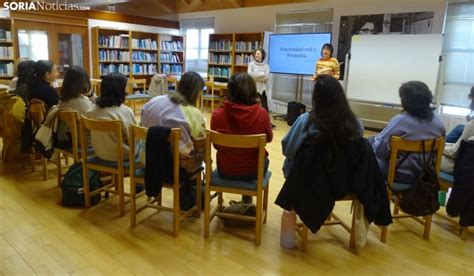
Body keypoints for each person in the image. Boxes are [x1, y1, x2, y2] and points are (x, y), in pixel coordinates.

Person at [282, 74, 363, 178]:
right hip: (341, 181)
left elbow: (288, 150)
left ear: (316, 97)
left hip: (307, 180)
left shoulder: (305, 121)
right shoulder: (355, 124)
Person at [211, 72, 273, 203]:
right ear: (252, 90)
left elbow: (216, 145)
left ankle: (243, 202)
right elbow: (268, 138)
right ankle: (247, 201)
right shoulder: (262, 113)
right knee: (264, 160)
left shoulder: (217, 114)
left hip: (225, 169)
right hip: (253, 171)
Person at [370, 81, 446, 183]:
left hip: (396, 174)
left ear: (405, 101)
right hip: (424, 175)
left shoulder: (400, 121)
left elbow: (380, 152)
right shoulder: (438, 122)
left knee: (370, 143)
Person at [141, 71, 206, 174]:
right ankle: (191, 188)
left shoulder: (153, 101)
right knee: (197, 156)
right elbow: (201, 147)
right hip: (175, 167)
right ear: (196, 92)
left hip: (148, 160)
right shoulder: (194, 114)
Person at [86, 73, 136, 162]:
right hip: (121, 156)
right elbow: (133, 139)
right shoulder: (125, 111)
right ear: (121, 89)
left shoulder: (91, 110)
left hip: (99, 153)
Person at [441, 87, 474, 174]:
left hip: (460, 166)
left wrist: (437, 146)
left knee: (426, 157)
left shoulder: (472, 124)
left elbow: (454, 152)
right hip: (467, 162)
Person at [247, 48, 275, 128]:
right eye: (255, 54)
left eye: (258, 54)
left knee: (265, 107)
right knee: (251, 105)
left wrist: (256, 75)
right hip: (253, 87)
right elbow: (250, 75)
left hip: (262, 88)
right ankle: (250, 121)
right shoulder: (251, 64)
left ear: (262, 55)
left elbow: (266, 78)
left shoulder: (266, 66)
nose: (256, 55)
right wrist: (261, 74)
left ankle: (267, 123)